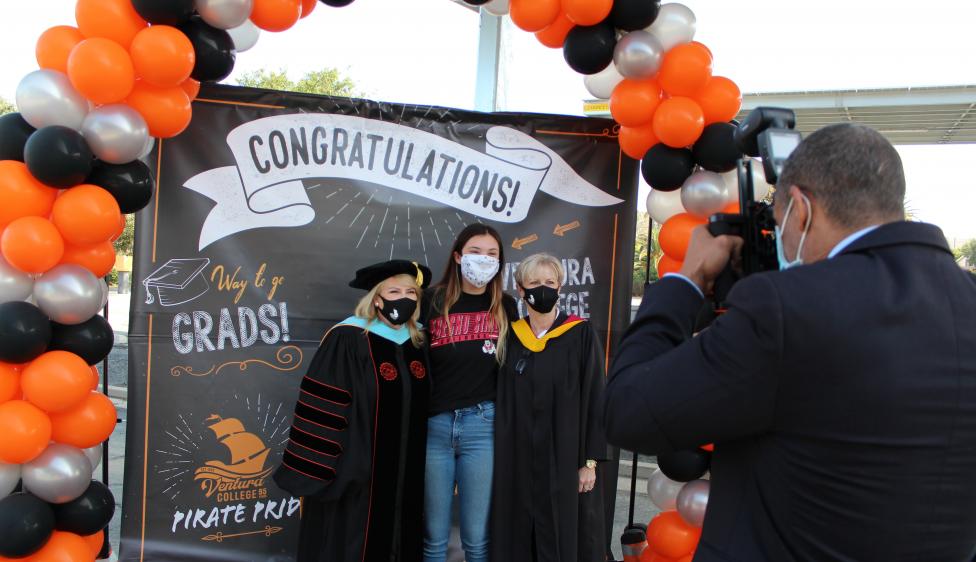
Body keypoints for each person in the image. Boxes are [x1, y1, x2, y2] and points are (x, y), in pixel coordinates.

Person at [604, 123, 976, 561]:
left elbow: (628, 411)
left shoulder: (788, 310)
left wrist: (687, 281)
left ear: (801, 209)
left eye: (779, 223)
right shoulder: (966, 298)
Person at [273, 259, 433, 562]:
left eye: (411, 292)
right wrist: (346, 462)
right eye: (394, 290)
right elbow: (322, 408)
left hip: (408, 470)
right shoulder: (348, 339)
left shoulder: (419, 341)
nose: (404, 298)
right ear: (376, 298)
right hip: (356, 468)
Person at [491, 253, 608, 562]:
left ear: (560, 286)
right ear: (519, 289)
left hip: (565, 456)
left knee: (564, 532)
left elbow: (596, 397)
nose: (542, 288)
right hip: (517, 457)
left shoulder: (580, 334)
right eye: (533, 283)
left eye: (549, 282)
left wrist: (589, 462)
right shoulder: (510, 336)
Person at [421, 224, 517, 562]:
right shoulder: (430, 300)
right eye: (476, 252)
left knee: (477, 538)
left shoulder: (505, 305)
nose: (484, 260)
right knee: (434, 536)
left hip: (482, 426)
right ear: (459, 256)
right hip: (434, 426)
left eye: (492, 254)